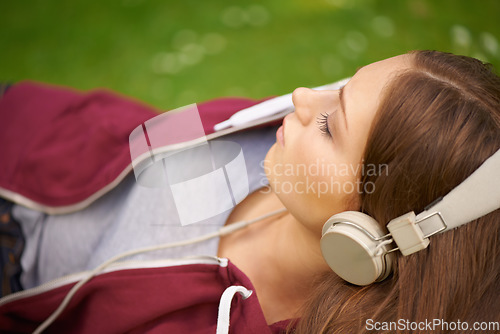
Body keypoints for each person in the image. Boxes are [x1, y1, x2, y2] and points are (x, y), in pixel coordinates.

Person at [0, 50, 499, 333]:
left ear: (374, 233)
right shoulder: (264, 137)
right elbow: (135, 141)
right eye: (341, 87)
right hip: (25, 139)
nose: (303, 97)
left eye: (331, 124)